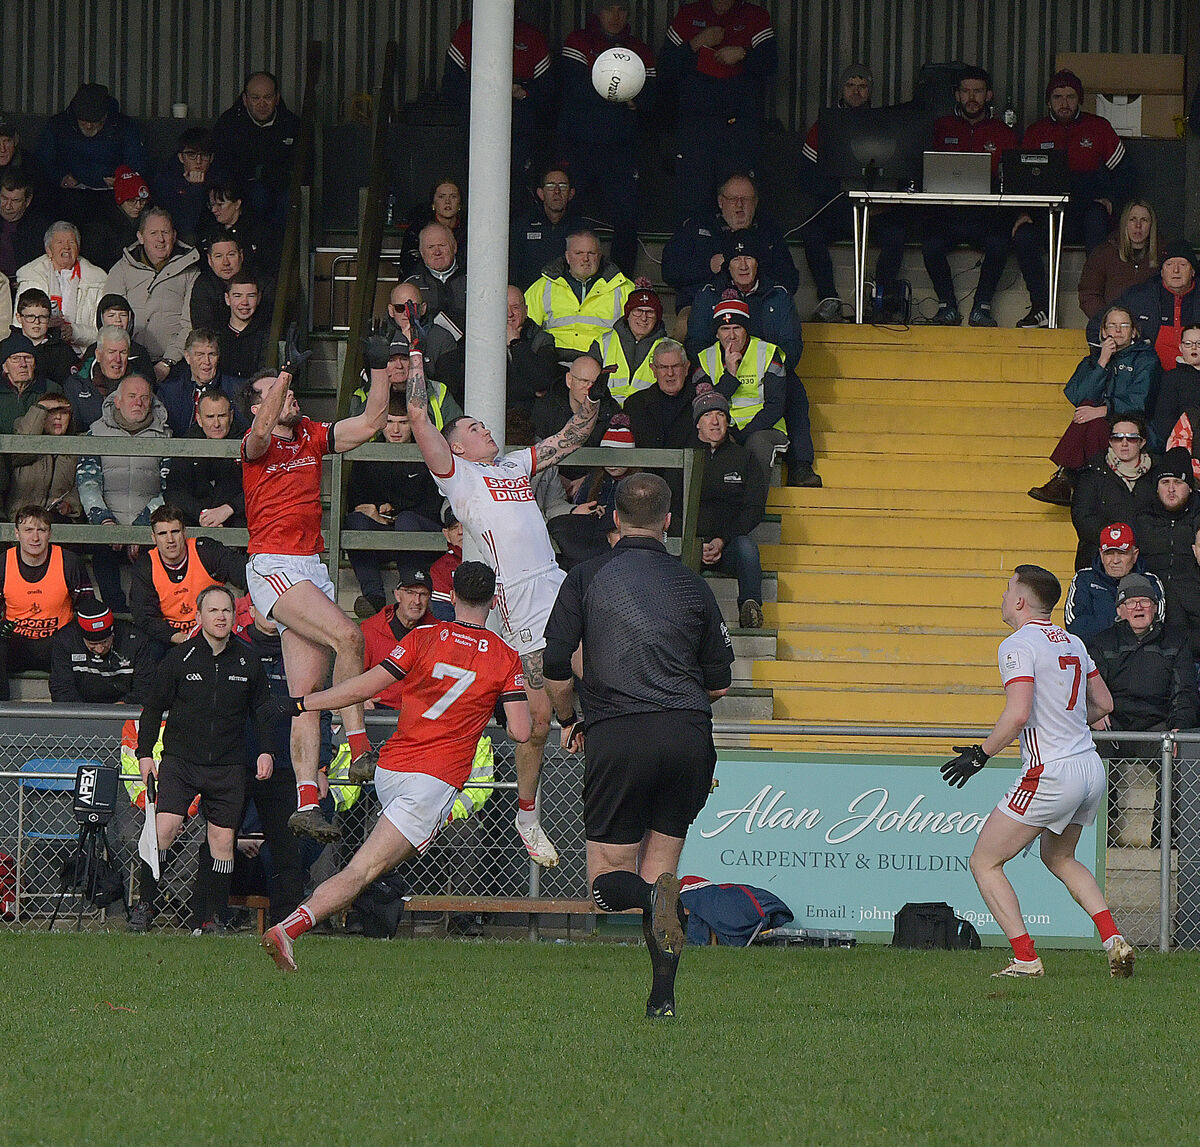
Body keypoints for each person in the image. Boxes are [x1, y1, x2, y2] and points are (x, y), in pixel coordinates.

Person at [261, 561, 531, 971]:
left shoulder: (423, 636)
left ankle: (346, 911)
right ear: (493, 601)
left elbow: (364, 685)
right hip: (432, 781)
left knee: (374, 868)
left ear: (451, 596)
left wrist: (302, 703)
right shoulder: (504, 657)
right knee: (364, 870)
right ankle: (288, 929)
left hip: (391, 769)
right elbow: (522, 731)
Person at [404, 307, 600, 867]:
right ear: (456, 448)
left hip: (556, 580)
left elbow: (571, 436)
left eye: (482, 425)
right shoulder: (459, 478)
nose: (483, 427)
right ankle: (530, 811)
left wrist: (587, 408)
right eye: (472, 428)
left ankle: (609, 746)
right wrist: (416, 347)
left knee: (600, 666)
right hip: (516, 600)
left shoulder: (514, 465)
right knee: (538, 720)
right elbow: (419, 416)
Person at [543, 472, 734, 1016]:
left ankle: (652, 900)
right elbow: (719, 681)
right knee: (663, 865)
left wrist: (569, 718)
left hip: (619, 732)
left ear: (614, 519)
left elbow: (556, 665)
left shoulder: (585, 577)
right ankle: (662, 1000)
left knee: (607, 884)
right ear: (669, 522)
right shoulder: (692, 583)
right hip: (688, 734)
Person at [941, 564, 1135, 978]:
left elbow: (1018, 713)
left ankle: (1026, 958)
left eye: (1008, 588)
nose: (1004, 595)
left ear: (1020, 601)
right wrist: (1066, 721)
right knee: (1061, 857)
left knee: (984, 862)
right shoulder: (1073, 641)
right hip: (1089, 766)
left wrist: (980, 755)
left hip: (1051, 771)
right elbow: (1103, 704)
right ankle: (1113, 938)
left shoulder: (1017, 645)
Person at [240, 329, 389, 842]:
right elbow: (260, 429)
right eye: (280, 394)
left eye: (291, 392)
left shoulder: (310, 433)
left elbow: (371, 423)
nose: (291, 399)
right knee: (349, 637)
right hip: (274, 563)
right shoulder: (254, 445)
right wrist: (282, 374)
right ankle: (359, 749)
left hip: (310, 567)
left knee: (306, 695)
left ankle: (306, 799)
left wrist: (380, 369)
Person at [128, 584, 275, 933]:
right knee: (164, 829)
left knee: (222, 841)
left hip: (228, 766)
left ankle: (211, 917)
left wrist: (266, 750)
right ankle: (145, 906)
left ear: (233, 616)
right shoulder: (178, 659)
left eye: (226, 610)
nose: (221, 616)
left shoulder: (248, 660)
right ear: (199, 616)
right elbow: (152, 709)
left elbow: (263, 711)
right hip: (181, 761)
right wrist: (145, 753)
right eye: (213, 611)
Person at [1012, 70, 1135, 328]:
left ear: (1080, 100)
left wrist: (1111, 199)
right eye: (1057, 97)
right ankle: (1041, 308)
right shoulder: (1036, 131)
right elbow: (1019, 177)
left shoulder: (1098, 127)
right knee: (1022, 234)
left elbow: (1125, 170)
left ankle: (1100, 307)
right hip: (1048, 215)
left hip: (1085, 215)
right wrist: (1022, 211)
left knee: (1096, 218)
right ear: (1049, 102)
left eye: (1070, 97)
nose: (1064, 103)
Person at [1087, 572, 1197, 847]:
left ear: (1156, 607)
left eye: (1145, 601)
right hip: (1114, 727)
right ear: (1119, 610)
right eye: (1132, 602)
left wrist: (1178, 728)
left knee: (1181, 760)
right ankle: (1099, 841)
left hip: (1156, 729)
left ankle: (1166, 844)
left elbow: (1184, 691)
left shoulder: (1175, 640)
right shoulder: (1102, 642)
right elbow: (1087, 688)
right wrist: (1096, 714)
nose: (1138, 607)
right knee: (1092, 760)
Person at [556, 2, 656, 278]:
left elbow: (652, 98)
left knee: (627, 219)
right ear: (597, 11)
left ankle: (619, 283)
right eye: (609, 8)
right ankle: (562, 278)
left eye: (623, 9)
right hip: (580, 148)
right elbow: (571, 89)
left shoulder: (640, 50)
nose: (616, 16)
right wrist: (621, 97)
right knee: (566, 215)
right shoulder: (578, 41)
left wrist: (633, 98)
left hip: (622, 152)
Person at [798, 65, 905, 322]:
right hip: (838, 209)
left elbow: (898, 172)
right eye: (850, 85)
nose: (856, 91)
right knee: (810, 230)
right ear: (842, 89)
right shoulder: (824, 125)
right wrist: (837, 197)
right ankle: (829, 299)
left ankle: (879, 300)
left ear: (870, 92)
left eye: (862, 86)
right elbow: (804, 173)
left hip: (876, 210)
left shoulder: (885, 124)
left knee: (897, 234)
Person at [659, 0, 778, 223]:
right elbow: (664, 68)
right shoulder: (688, 15)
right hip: (695, 128)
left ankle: (740, 255)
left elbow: (771, 63)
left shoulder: (755, 16)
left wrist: (743, 54)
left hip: (739, 128)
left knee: (739, 201)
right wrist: (696, 43)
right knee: (693, 204)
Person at [1028, 305, 1160, 506]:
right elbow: (1077, 396)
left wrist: (1103, 410)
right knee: (1091, 416)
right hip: (1098, 427)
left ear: (1134, 331)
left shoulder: (1146, 358)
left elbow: (1140, 401)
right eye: (1112, 325)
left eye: (1124, 325)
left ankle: (1067, 477)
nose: (1117, 330)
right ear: (1103, 331)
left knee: (1093, 417)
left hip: (1135, 425)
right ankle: (1085, 483)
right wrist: (1102, 361)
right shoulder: (1093, 360)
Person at [920, 67, 1018, 327]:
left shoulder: (1004, 133)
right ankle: (947, 306)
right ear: (956, 95)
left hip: (987, 215)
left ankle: (982, 308)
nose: (971, 97)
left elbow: (1017, 179)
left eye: (977, 91)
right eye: (965, 91)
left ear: (989, 95)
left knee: (1000, 243)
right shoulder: (939, 128)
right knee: (930, 243)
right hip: (946, 213)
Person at [692, 296, 820, 487]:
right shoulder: (704, 358)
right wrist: (730, 375)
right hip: (725, 428)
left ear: (746, 329)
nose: (731, 335)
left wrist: (742, 434)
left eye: (737, 328)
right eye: (725, 329)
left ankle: (753, 507)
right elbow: (705, 406)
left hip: (765, 429)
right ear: (717, 333)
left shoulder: (768, 353)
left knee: (756, 443)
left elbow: (776, 405)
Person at [76, 372, 172, 611]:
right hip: (108, 524)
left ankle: (142, 615)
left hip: (149, 524)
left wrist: (143, 526)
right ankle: (114, 614)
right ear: (117, 401)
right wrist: (104, 520)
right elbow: (87, 482)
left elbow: (168, 488)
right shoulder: (95, 433)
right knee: (99, 546)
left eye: (144, 397)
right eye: (131, 396)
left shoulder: (166, 437)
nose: (138, 402)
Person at [663, 172, 796, 340]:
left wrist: (756, 268)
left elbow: (791, 280)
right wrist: (708, 266)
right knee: (685, 324)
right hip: (703, 305)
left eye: (746, 199)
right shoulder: (697, 227)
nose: (739, 205)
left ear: (755, 202)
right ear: (720, 202)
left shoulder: (767, 233)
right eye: (733, 199)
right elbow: (670, 271)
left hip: (756, 304)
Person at [344, 396, 442, 617]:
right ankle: (374, 598)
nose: (395, 430)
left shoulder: (427, 453)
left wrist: (392, 517)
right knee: (354, 522)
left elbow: (432, 509)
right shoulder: (366, 454)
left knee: (408, 520)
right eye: (389, 422)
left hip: (418, 535)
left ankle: (412, 587)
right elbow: (356, 504)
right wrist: (376, 512)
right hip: (383, 535)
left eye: (403, 423)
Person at [443, 14, 554, 203]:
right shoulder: (467, 32)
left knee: (518, 190)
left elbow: (548, 94)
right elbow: (451, 87)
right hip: (477, 127)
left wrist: (522, 93)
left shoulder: (532, 36)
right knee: (478, 188)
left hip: (519, 130)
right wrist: (486, 92)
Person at [693, 383, 767, 628]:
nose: (715, 422)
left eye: (720, 415)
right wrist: (697, 543)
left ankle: (750, 608)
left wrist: (721, 540)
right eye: (707, 415)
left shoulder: (744, 458)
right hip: (690, 543)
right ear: (698, 424)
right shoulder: (686, 456)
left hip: (728, 543)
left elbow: (753, 510)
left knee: (747, 549)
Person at [130, 505, 244, 656]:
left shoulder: (206, 550)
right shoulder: (146, 565)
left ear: (184, 532)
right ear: (153, 537)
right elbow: (144, 616)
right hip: (171, 639)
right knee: (151, 651)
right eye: (163, 533)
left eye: (175, 532)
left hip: (215, 634)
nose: (170, 540)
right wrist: (182, 638)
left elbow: (245, 573)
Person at [103, 206, 201, 383]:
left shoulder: (190, 272)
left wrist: (167, 362)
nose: (161, 239)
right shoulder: (121, 269)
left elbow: (190, 325)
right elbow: (109, 321)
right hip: (128, 363)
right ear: (141, 237)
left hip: (175, 365)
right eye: (153, 233)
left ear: (174, 235)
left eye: (165, 232)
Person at [0, 505, 88, 698]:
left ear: (50, 533)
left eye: (41, 530)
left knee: (78, 650)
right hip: (16, 642)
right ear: (16, 534)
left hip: (57, 643)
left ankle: (69, 720)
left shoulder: (69, 562)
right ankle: (3, 717)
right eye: (28, 530)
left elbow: (87, 607)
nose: (35, 537)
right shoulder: (3, 563)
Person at [36, 83, 148, 234]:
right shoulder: (58, 125)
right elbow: (43, 161)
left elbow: (137, 164)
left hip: (111, 194)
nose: (89, 126)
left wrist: (122, 180)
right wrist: (60, 177)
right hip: (70, 193)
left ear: (106, 116)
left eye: (95, 122)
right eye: (83, 122)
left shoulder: (125, 126)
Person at [686, 233, 803, 372]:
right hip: (719, 376)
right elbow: (695, 344)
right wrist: (725, 370)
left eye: (748, 258)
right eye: (736, 259)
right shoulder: (709, 295)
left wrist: (769, 372)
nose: (743, 266)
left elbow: (791, 346)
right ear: (728, 266)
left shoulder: (778, 295)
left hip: (771, 375)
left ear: (757, 263)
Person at [1090, 241, 1200, 373]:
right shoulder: (1139, 296)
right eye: (1169, 265)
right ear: (1161, 271)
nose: (1175, 270)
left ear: (1193, 271)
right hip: (1147, 378)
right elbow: (1095, 326)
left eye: (1182, 265)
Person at [210, 72, 300, 228]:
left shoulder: (292, 126)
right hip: (241, 192)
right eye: (255, 98)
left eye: (267, 97)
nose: (262, 104)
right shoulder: (229, 125)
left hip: (281, 194)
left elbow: (300, 168)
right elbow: (221, 167)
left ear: (277, 98)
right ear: (245, 100)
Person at [1135, 448, 1200, 661]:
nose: (1171, 489)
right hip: (1153, 610)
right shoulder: (1142, 518)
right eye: (1165, 482)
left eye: (1178, 482)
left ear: (1190, 488)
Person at [525, 228, 634, 355]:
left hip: (601, 360)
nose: (585, 259)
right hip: (551, 359)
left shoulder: (622, 287)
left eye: (591, 253)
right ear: (568, 257)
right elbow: (525, 326)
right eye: (579, 253)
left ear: (599, 256)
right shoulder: (543, 286)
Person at [1069, 417, 1157, 569]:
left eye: (1132, 439)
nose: (1124, 443)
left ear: (1142, 442)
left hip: (1146, 558)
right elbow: (1082, 516)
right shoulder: (1092, 472)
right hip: (1099, 560)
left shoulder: (1158, 472)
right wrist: (1117, 538)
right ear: (1110, 442)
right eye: (1117, 438)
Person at [15, 220, 107, 353]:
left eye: (71, 242)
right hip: (38, 352)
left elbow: (104, 332)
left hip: (82, 353)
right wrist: (43, 325)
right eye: (59, 242)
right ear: (49, 250)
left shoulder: (96, 280)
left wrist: (75, 332)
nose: (66, 247)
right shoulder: (32, 276)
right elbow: (19, 325)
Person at [1064, 521, 1164, 641]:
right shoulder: (1084, 579)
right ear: (1101, 554)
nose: (1115, 560)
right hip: (1094, 654)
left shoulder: (1150, 581)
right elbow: (1076, 627)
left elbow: (1157, 626)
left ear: (1135, 554)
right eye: (1109, 553)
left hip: (1140, 655)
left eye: (1122, 553)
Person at [163, 388, 246, 529]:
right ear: (199, 419)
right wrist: (204, 515)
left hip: (237, 519)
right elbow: (175, 492)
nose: (216, 424)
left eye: (222, 416)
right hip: (197, 521)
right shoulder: (186, 444)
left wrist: (229, 509)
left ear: (231, 416)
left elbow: (259, 489)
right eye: (210, 417)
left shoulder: (247, 442)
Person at [49, 595, 154, 704]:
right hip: (81, 711)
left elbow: (145, 686)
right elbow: (61, 687)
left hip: (125, 711)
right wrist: (82, 712)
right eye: (92, 644)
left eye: (104, 642)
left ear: (113, 633)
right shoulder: (65, 640)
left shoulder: (136, 639)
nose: (99, 649)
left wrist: (122, 706)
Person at [359, 563, 435, 709]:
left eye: (423, 594)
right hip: (380, 708)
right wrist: (361, 700)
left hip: (422, 712)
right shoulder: (371, 629)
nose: (417, 601)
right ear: (397, 595)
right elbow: (352, 675)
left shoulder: (438, 632)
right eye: (410, 593)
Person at [1077, 200, 1162, 321]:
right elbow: (1089, 293)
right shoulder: (1103, 253)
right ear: (1124, 223)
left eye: (1144, 220)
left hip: (1150, 329)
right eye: (1132, 219)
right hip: (1112, 328)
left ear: (1152, 225)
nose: (1138, 225)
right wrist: (1108, 320)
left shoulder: (1164, 255)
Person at [383, 282, 464, 403]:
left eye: (413, 308)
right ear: (391, 310)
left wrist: (415, 348)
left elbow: (448, 389)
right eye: (400, 308)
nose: (407, 313)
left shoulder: (442, 338)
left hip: (429, 408)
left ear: (423, 308)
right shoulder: (380, 338)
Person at [8, 390, 81, 522]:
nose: (58, 417)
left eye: (64, 412)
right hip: (22, 520)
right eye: (52, 412)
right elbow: (21, 452)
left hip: (57, 521)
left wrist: (70, 506)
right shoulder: (21, 431)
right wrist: (42, 406)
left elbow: (78, 485)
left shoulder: (75, 449)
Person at [157, 328, 245, 437]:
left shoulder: (238, 389)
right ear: (188, 357)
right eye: (200, 355)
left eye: (212, 354)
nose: (206, 361)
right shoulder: (168, 392)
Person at [589, 285, 667, 405]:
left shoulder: (669, 348)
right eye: (638, 311)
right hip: (606, 409)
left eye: (650, 312)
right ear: (628, 313)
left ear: (657, 317)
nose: (643, 318)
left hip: (649, 411)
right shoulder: (603, 342)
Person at [509, 167, 580, 292]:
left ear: (571, 193)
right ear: (541, 193)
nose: (557, 191)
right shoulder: (521, 226)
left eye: (563, 186)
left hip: (569, 302)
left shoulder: (581, 228)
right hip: (529, 300)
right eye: (551, 186)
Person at [402, 222, 468, 344]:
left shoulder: (472, 280)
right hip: (426, 354)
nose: (437, 252)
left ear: (454, 247)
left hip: (471, 352)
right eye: (430, 247)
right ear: (421, 252)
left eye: (442, 245)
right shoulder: (411, 285)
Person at [504, 284, 561, 415]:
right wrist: (530, 391)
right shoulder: (484, 341)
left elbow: (542, 381)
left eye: (515, 308)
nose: (509, 314)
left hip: (531, 416)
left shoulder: (542, 339)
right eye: (503, 307)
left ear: (526, 310)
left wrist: (516, 343)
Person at [64, 322, 133, 429]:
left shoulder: (139, 384)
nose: (118, 359)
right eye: (111, 352)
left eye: (123, 352)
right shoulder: (76, 385)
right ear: (98, 355)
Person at [153, 127, 213, 245]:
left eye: (204, 155)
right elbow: (185, 224)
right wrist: (193, 189)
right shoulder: (167, 180)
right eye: (191, 154)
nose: (198, 161)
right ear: (181, 157)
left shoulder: (218, 179)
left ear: (211, 158)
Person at [398, 179, 466, 277]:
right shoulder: (418, 229)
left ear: (460, 203)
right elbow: (409, 264)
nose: (447, 202)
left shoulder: (469, 230)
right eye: (441, 197)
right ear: (433, 203)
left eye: (453, 196)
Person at [11, 287, 79, 384]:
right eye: (30, 317)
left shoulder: (63, 351)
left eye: (42, 317)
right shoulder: (7, 348)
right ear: (19, 317)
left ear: (49, 318)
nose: (37, 322)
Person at [0, 169, 53, 293]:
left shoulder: (41, 228)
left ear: (27, 201)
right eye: (4, 198)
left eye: (15, 201)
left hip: (27, 289)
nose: (8, 206)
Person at [0, 331, 61, 434]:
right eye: (16, 359)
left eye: (28, 358)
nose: (23, 364)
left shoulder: (51, 390)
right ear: (5, 366)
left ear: (35, 364)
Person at [1156, 324, 1200, 458]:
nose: (1194, 347)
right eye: (1188, 343)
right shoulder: (1171, 378)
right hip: (1185, 446)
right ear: (1180, 347)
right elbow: (1164, 420)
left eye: (1199, 343)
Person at [429, 506, 463, 622]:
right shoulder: (440, 568)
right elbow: (444, 616)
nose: (461, 532)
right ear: (446, 534)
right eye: (454, 528)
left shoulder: (495, 559)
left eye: (466, 526)